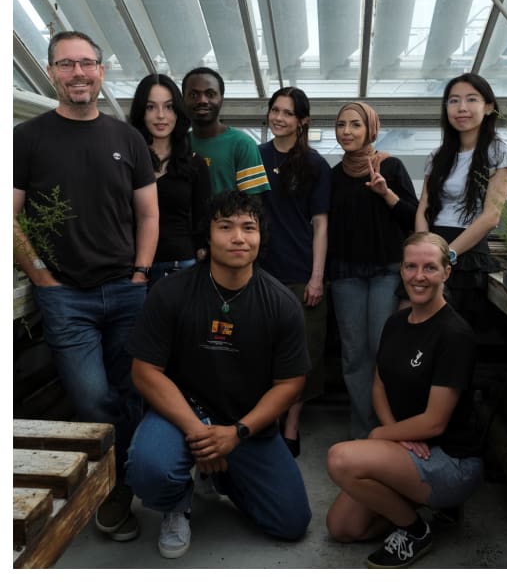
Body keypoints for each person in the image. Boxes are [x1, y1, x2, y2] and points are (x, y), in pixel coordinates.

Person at [13, 30, 159, 542]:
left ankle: (124, 485)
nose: (78, 73)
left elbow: (148, 213)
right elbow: (10, 218)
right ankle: (117, 480)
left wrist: (141, 272)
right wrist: (43, 278)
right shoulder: (26, 138)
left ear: (101, 70)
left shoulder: (127, 139)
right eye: (66, 64)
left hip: (126, 289)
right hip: (65, 297)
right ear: (52, 72)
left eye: (87, 63)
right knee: (94, 398)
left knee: (132, 390)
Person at [125, 191, 311, 559]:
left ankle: (221, 473)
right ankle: (178, 504)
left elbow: (290, 383)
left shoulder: (281, 304)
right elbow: (144, 372)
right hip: (180, 415)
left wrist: (237, 433)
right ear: (207, 237)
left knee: (291, 523)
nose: (238, 237)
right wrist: (197, 431)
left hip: (243, 421)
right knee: (150, 470)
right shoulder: (171, 292)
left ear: (261, 237)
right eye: (225, 227)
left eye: (248, 227)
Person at [326, 232, 484, 569]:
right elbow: (379, 383)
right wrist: (397, 432)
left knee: (341, 459)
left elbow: (434, 422)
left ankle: (415, 531)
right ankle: (418, 503)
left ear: (446, 273)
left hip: (451, 459)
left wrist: (381, 436)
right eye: (411, 266)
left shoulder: (454, 335)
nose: (419, 276)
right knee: (342, 528)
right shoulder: (397, 322)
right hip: (409, 446)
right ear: (401, 271)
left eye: (429, 267)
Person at [327, 101, 418, 440]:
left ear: (371, 129)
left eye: (355, 125)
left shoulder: (390, 166)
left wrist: (385, 192)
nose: (347, 132)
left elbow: (414, 218)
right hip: (345, 275)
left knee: (383, 350)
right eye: (341, 125)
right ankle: (363, 431)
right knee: (353, 355)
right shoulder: (333, 176)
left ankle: (388, 430)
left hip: (386, 272)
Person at [257, 87, 331, 457]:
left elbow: (321, 224)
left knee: (304, 352)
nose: (279, 118)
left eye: (287, 113)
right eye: (274, 110)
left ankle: (291, 424)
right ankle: (265, 421)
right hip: (260, 272)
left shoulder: (315, 165)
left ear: (302, 121)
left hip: (302, 272)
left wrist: (317, 277)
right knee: (262, 351)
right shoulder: (254, 157)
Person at [415, 73, 507, 328]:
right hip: (430, 248)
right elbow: (424, 208)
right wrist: (423, 251)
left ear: (489, 106)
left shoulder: (499, 152)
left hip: (465, 253)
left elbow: (491, 217)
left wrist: (447, 255)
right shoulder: (437, 156)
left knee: (449, 335)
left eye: (471, 99)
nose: (461, 108)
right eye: (453, 101)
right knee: (413, 327)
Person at [128, 74, 211, 288]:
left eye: (169, 107)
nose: (161, 116)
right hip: (130, 268)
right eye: (150, 107)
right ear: (140, 112)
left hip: (180, 266)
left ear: (178, 112)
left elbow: (203, 219)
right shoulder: (126, 161)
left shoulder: (195, 164)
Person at [182, 67, 270, 195]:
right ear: (183, 100)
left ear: (221, 100)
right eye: (193, 95)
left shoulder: (242, 144)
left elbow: (254, 204)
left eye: (210, 94)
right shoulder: (178, 144)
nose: (202, 100)